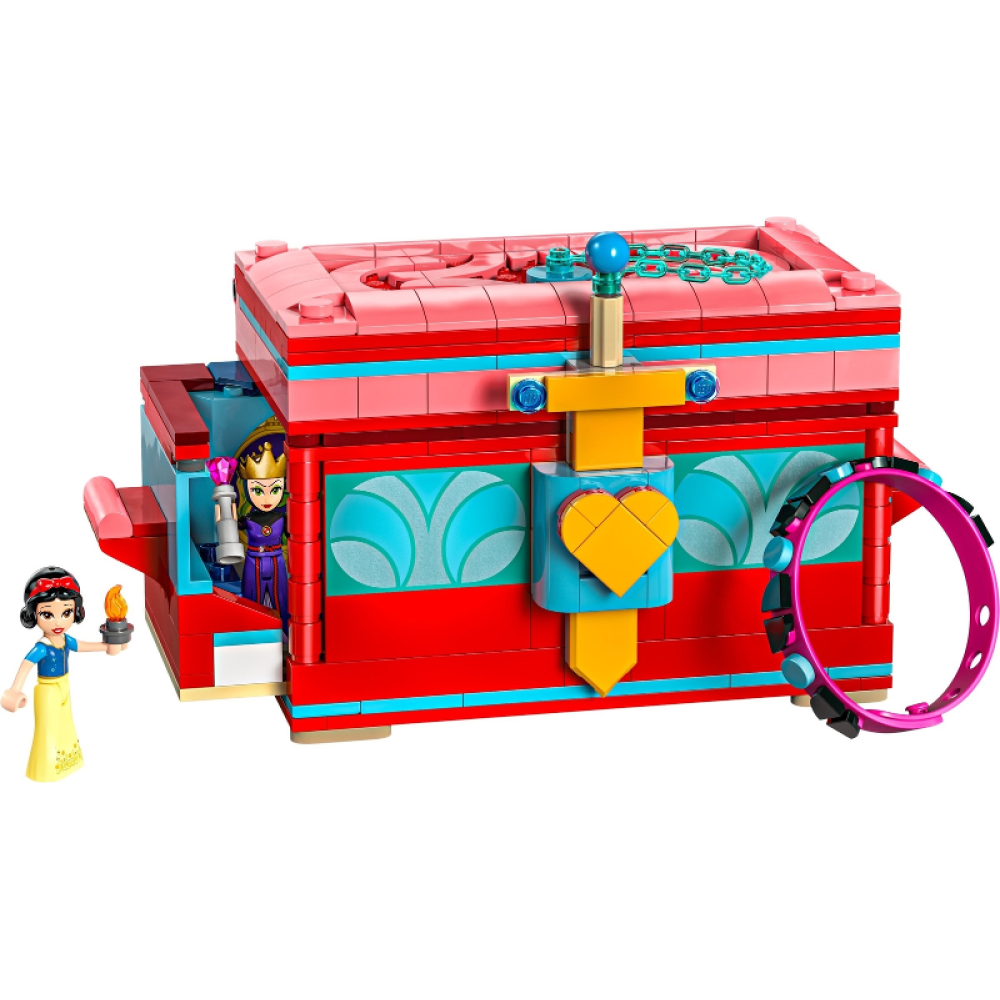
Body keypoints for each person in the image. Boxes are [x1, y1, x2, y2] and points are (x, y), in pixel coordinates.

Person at [1, 567, 125, 782]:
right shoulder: (42, 647)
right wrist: (15, 690)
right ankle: (45, 771)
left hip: (65, 686)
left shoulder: (66, 640)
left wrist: (108, 646)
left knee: (66, 724)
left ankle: (66, 764)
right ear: (34, 614)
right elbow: (25, 666)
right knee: (47, 730)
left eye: (66, 613)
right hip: (47, 690)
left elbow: (84, 646)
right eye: (47, 614)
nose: (58, 622)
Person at [232, 416, 289, 634]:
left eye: (274, 490)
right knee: (252, 598)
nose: (266, 497)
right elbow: (228, 523)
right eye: (258, 490)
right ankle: (254, 633)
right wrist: (223, 499)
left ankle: (283, 632)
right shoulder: (247, 519)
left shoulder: (283, 519)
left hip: (276, 561)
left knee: (280, 597)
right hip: (253, 560)